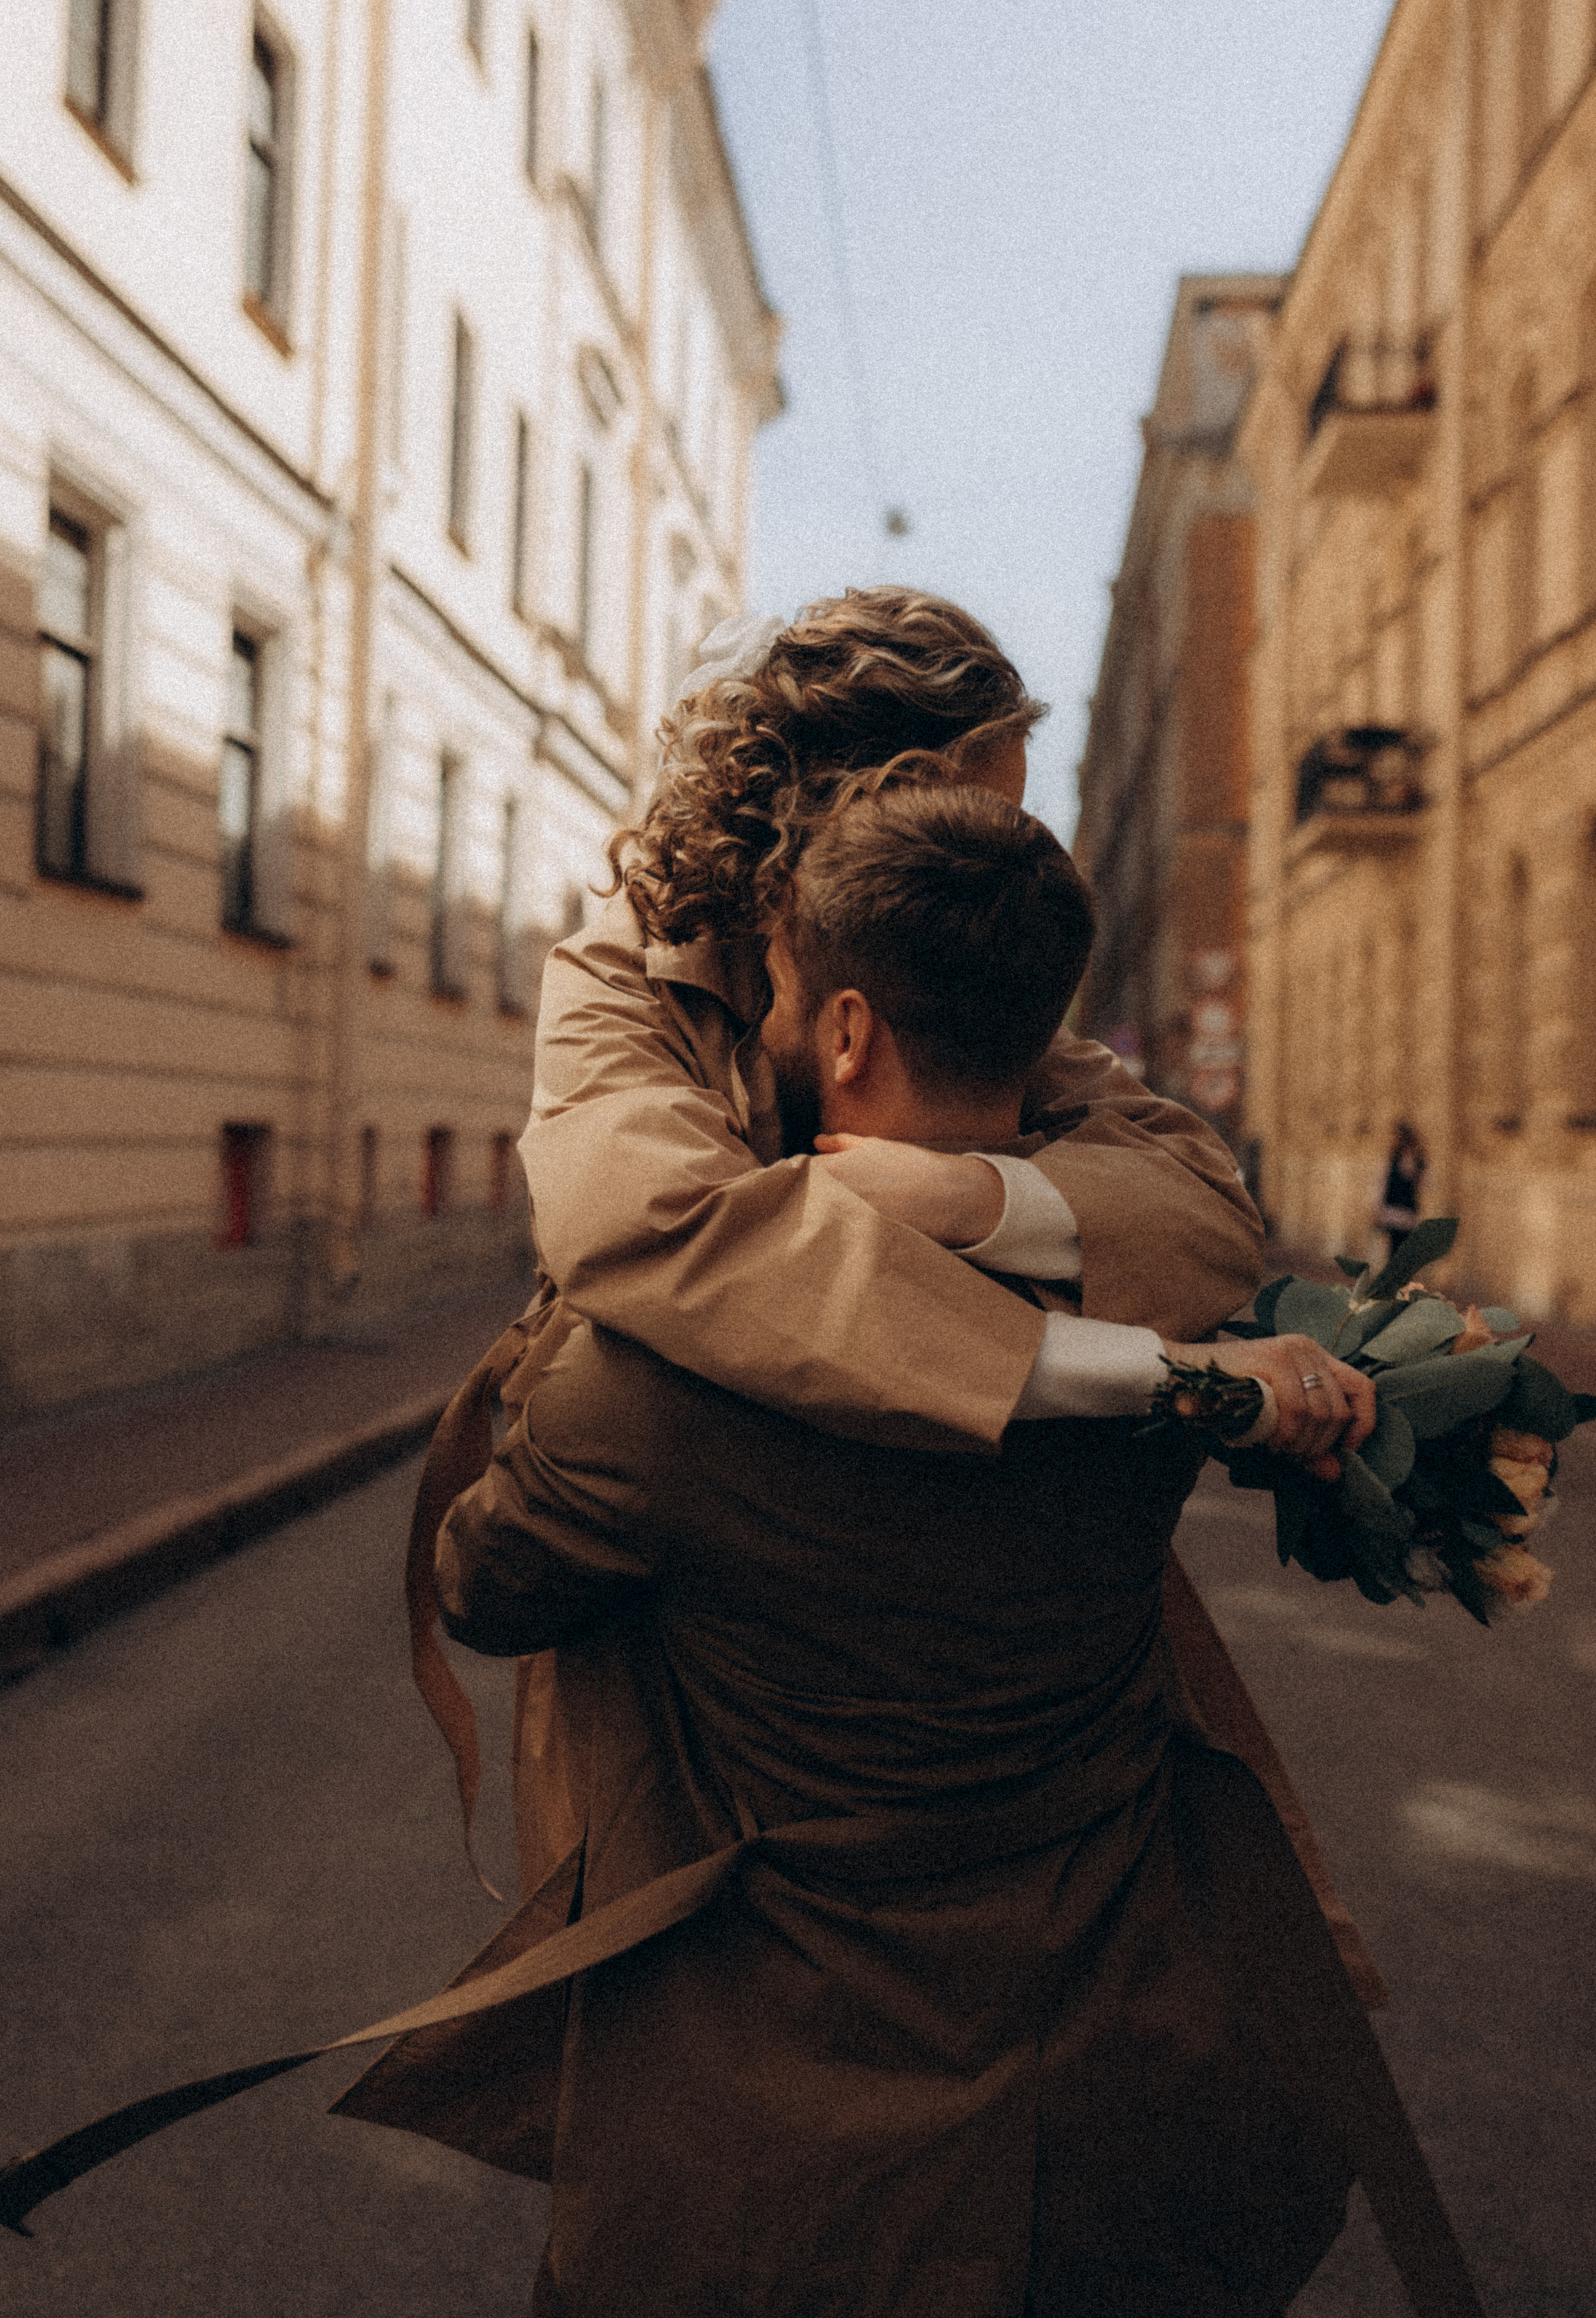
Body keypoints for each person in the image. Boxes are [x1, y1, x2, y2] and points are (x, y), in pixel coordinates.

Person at [337, 785, 1382, 2317]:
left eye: (774, 998)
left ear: (837, 1033)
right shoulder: (1179, 1343)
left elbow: (481, 1583)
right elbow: (1172, 1184)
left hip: (761, 2166)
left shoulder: (649, 1389)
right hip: (1093, 2118)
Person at [498, 589, 1370, 1898]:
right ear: (845, 801)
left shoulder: (940, 963)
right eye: (986, 812)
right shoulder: (628, 973)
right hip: (681, 1676)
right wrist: (1158, 1377)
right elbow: (655, 1230)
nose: (1007, 854)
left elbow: (1195, 1200)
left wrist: (968, 1200)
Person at [1376, 1120, 1428, 1257]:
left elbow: (1427, 1182)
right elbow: (1383, 1180)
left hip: (1408, 1208)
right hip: (1394, 1207)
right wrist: (1379, 1205)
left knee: (1403, 1245)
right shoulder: (1393, 1157)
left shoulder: (1419, 1160)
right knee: (1394, 1245)